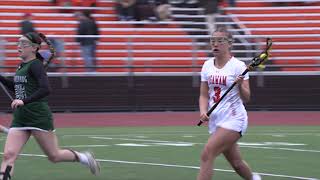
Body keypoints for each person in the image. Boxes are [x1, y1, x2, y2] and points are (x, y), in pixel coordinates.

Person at [0, 32, 100, 180]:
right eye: (18, 43)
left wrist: (24, 101)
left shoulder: (36, 66)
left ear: (34, 48)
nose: (19, 46)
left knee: (54, 156)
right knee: (9, 155)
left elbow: (46, 89)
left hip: (38, 117)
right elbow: (17, 87)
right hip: (21, 118)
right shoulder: (22, 65)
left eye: (23, 44)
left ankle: (84, 157)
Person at [197, 27, 261, 180]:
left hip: (234, 118)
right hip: (216, 120)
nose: (215, 44)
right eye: (213, 41)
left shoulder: (238, 66)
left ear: (230, 44)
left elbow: (246, 98)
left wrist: (239, 85)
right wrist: (203, 110)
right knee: (237, 163)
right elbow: (203, 94)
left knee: (207, 153)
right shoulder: (207, 65)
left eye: (220, 41)